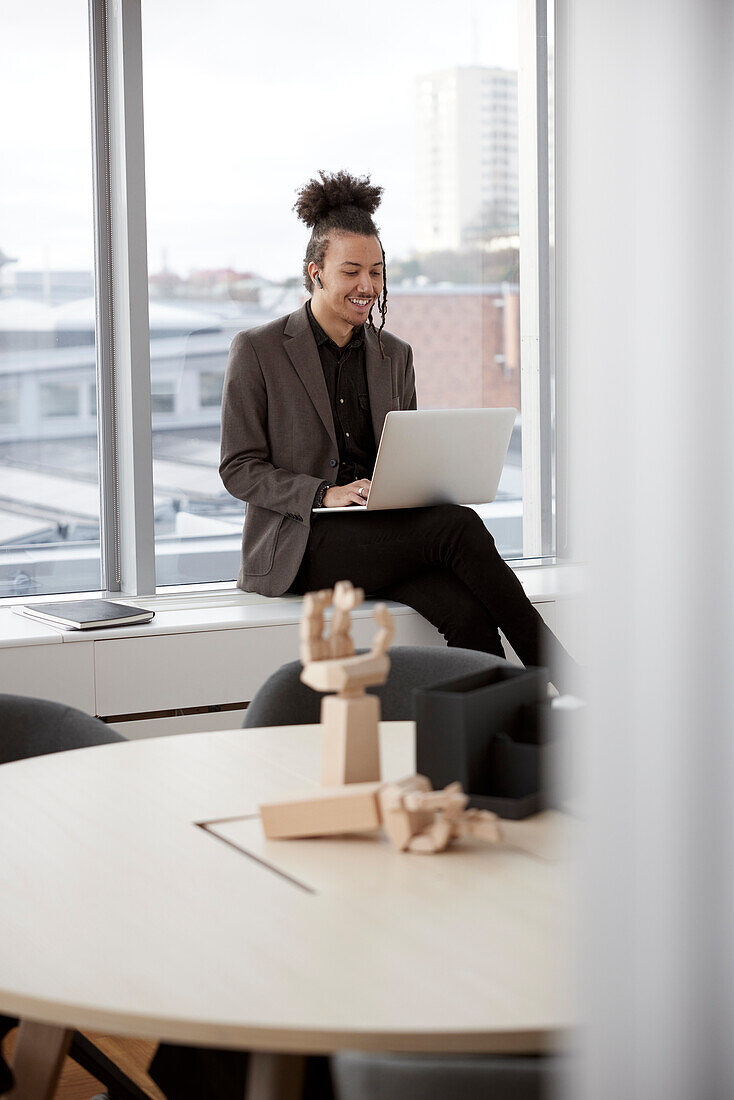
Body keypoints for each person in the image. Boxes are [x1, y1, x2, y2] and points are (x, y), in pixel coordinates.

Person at [219, 169, 579, 692]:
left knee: (468, 616)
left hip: (381, 534)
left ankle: (497, 734)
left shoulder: (395, 355)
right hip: (305, 542)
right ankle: (564, 676)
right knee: (456, 526)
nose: (367, 286)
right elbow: (238, 468)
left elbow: (407, 451)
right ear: (316, 272)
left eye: (377, 272)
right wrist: (327, 493)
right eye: (351, 272)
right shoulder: (258, 350)